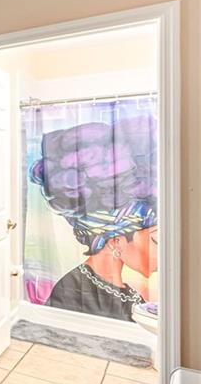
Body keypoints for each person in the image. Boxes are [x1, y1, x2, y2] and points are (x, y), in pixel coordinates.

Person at [29, 115, 157, 321]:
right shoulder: (70, 292)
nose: (162, 253)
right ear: (116, 241)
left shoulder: (129, 294)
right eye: (155, 240)